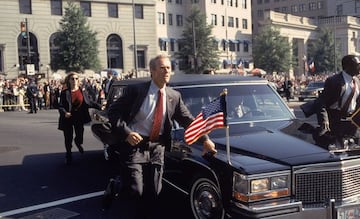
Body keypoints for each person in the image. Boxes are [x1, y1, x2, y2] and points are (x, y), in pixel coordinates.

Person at [107, 54, 217, 219]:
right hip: (135, 146)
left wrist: (206, 140)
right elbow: (113, 112)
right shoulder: (136, 91)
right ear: (152, 71)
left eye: (169, 68)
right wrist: (127, 133)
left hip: (157, 147)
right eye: (162, 68)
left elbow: (189, 121)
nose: (166, 71)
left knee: (155, 191)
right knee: (136, 190)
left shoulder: (173, 96)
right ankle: (117, 185)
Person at [58, 72, 102, 165]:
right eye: (72, 79)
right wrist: (65, 113)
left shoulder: (82, 91)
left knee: (79, 135)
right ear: (69, 81)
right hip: (68, 118)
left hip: (79, 117)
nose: (74, 81)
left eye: (76, 79)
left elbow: (89, 102)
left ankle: (78, 143)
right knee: (68, 137)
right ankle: (68, 154)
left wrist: (100, 107)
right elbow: (60, 106)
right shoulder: (65, 93)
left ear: (79, 80)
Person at [319, 54, 360, 148]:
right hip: (336, 121)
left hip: (352, 123)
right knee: (338, 150)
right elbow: (321, 102)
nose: (359, 67)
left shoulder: (357, 81)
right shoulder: (333, 81)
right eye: (357, 64)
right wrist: (324, 120)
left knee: (354, 151)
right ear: (347, 66)